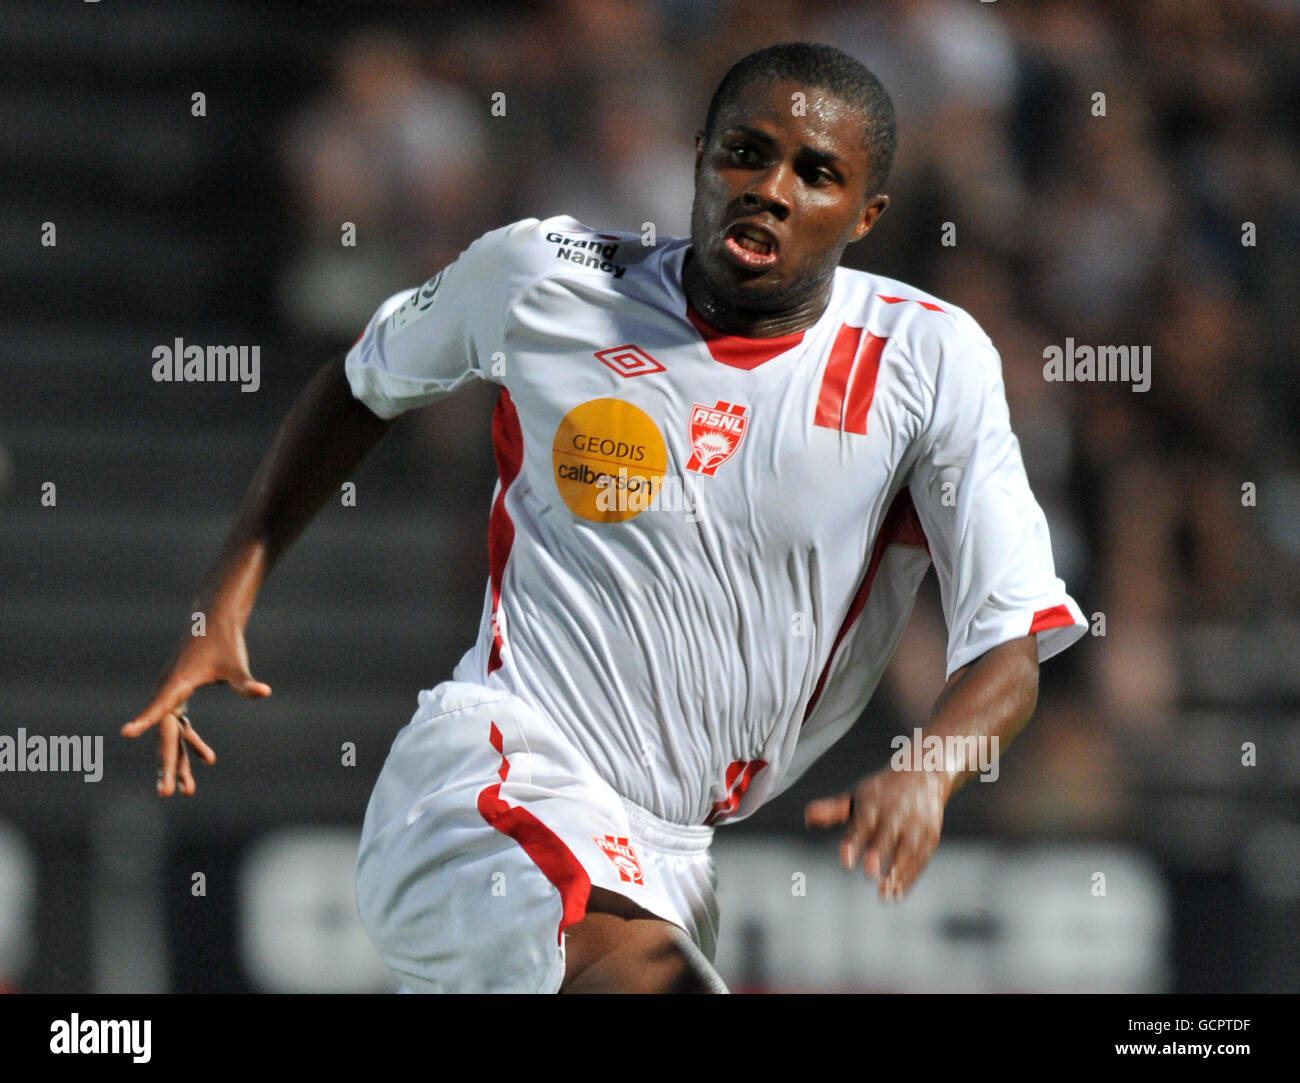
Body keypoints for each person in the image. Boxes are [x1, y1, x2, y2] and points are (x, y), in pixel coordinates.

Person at [124, 42, 1087, 994]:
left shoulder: (929, 363)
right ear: (700, 156)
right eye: (746, 152)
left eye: (817, 173)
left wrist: (930, 768)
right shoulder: (548, 278)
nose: (771, 187)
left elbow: (1006, 644)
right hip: (490, 781)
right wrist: (225, 601)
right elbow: (360, 386)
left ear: (865, 213)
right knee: (641, 976)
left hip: (668, 859)